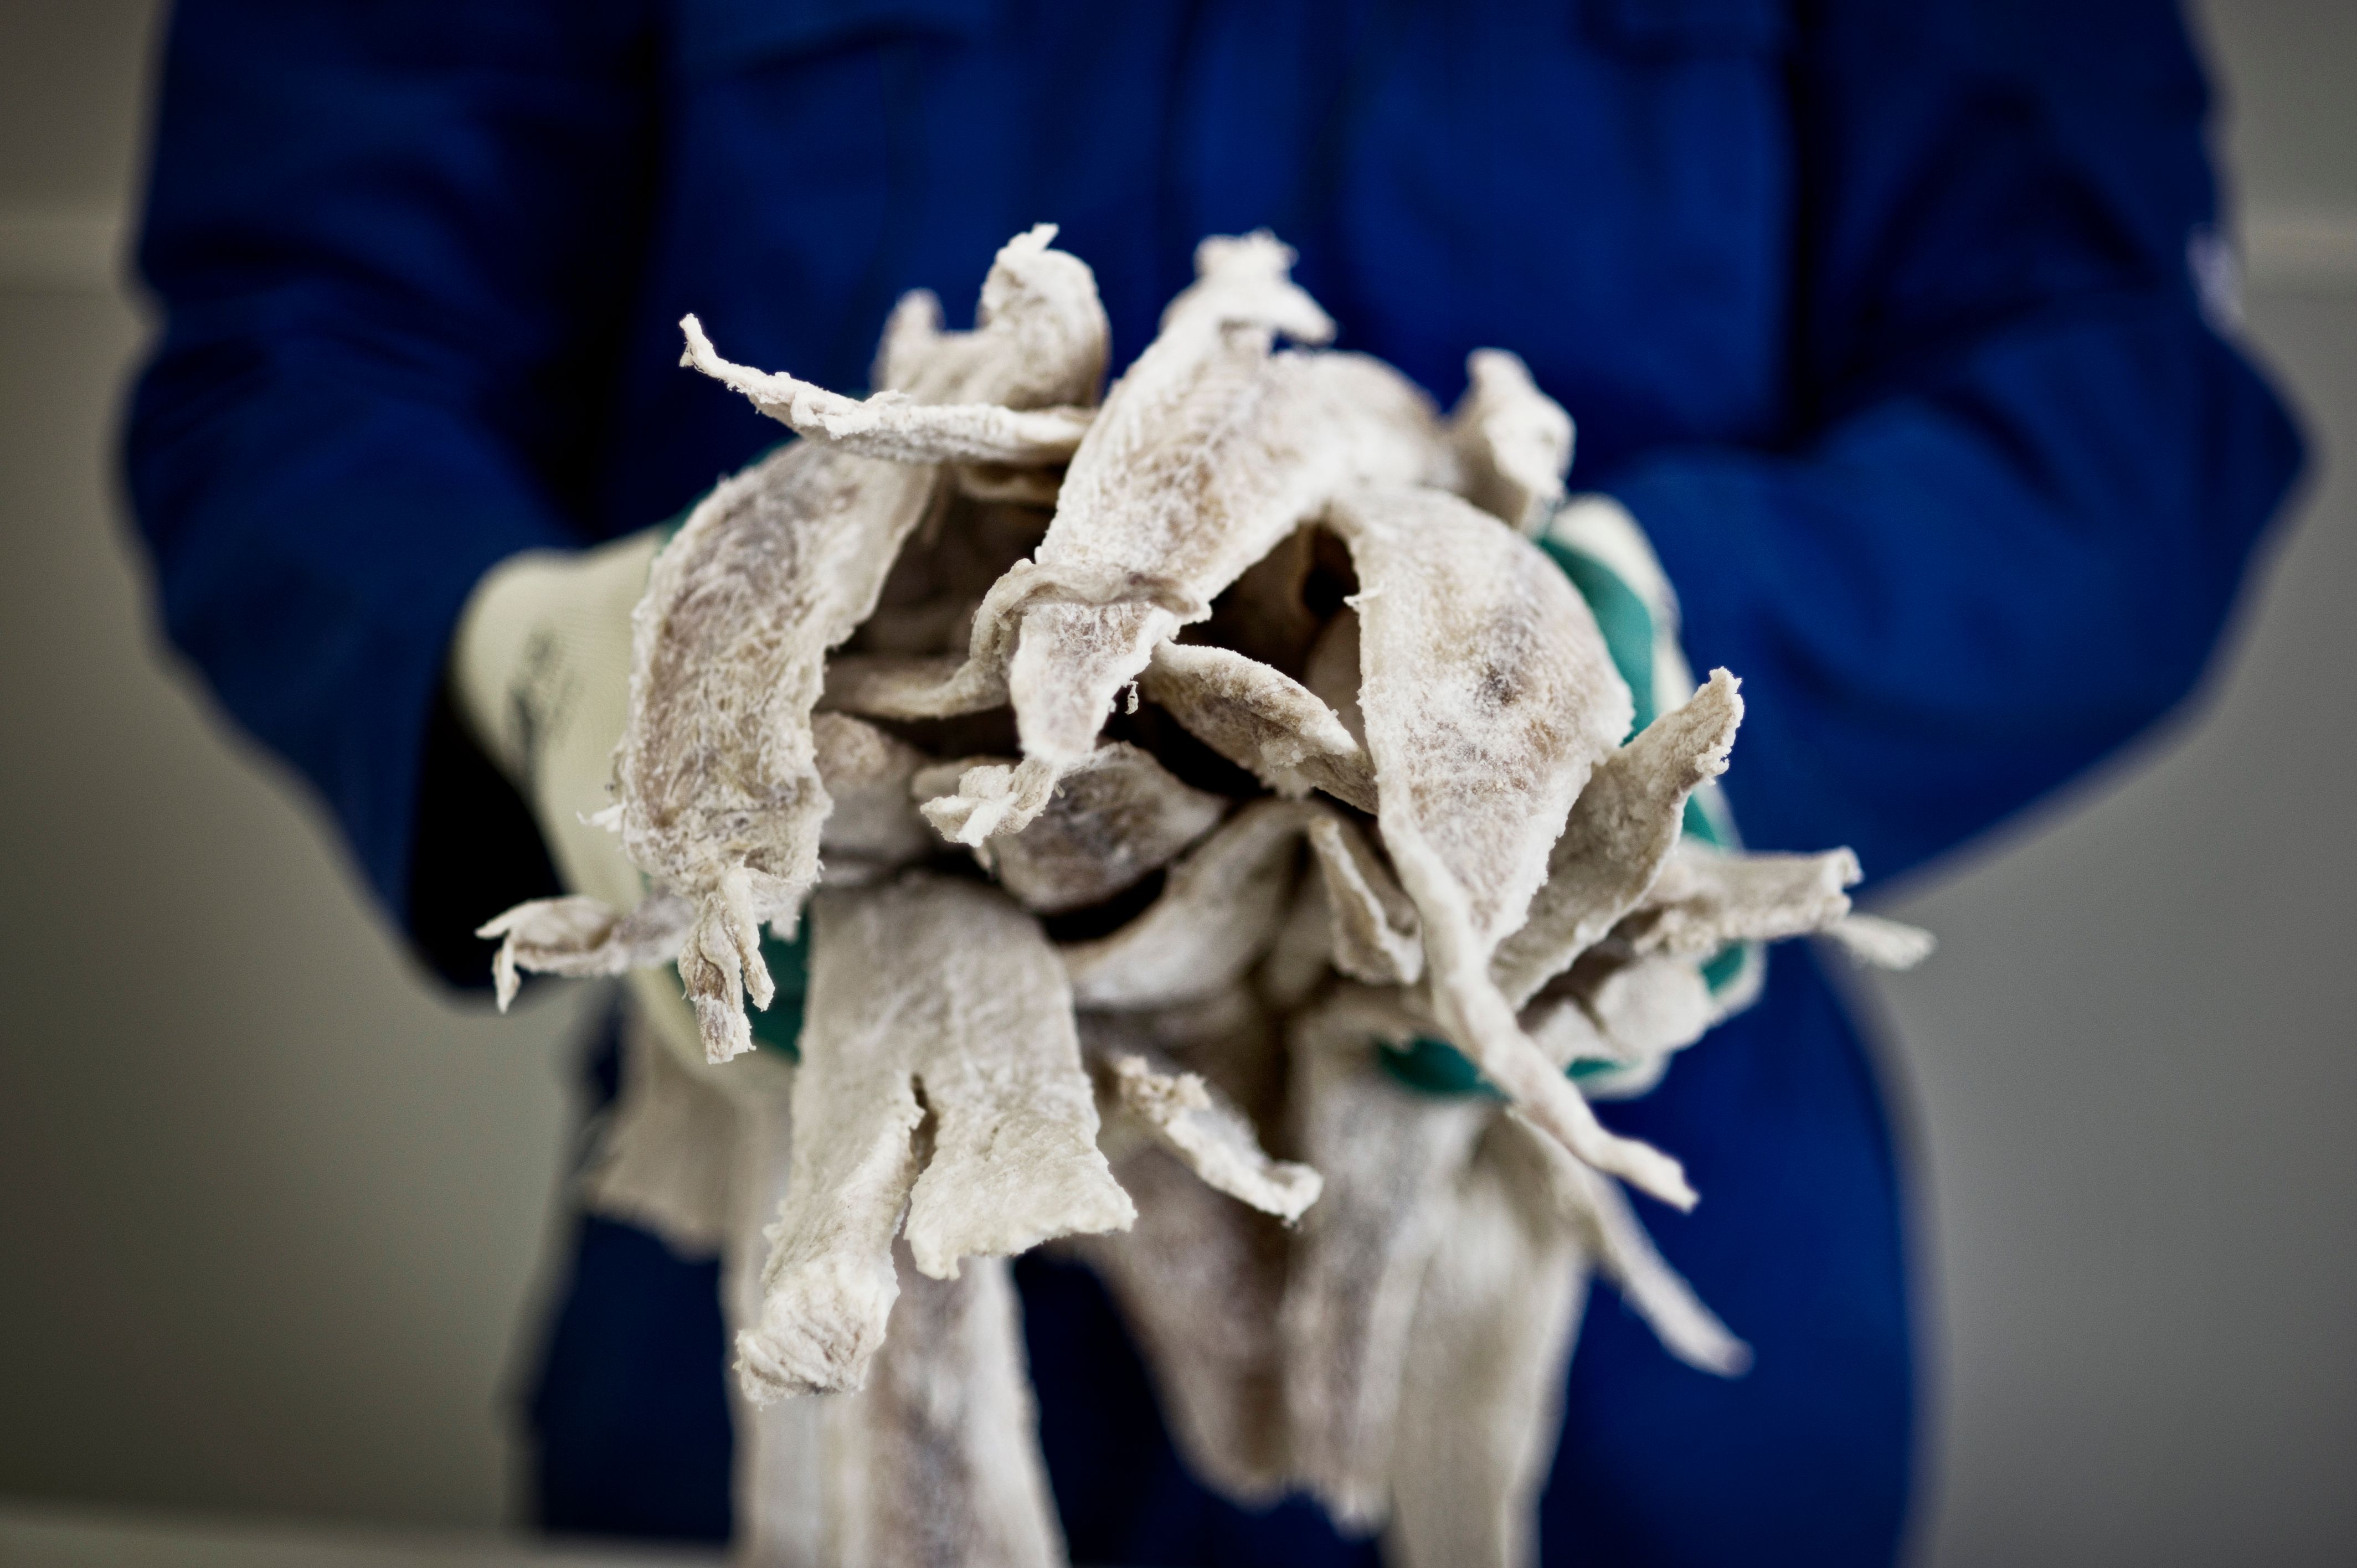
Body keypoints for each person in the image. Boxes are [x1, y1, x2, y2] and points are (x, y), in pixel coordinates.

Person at [123, 2, 2302, 1564]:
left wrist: (1629, 674)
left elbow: (2113, 404)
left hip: (1623, 1361)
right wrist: (542, 675)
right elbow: (294, 360)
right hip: (800, 1241)